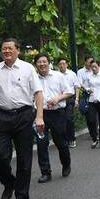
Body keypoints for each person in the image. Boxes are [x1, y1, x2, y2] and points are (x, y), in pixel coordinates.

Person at [0, 37, 45, 199]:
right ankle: (9, 183)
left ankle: (21, 195)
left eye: (10, 48)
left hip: (24, 115)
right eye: (4, 49)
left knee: (24, 159)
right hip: (0, 116)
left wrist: (39, 117)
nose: (7, 51)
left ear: (18, 50)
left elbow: (38, 94)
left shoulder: (28, 69)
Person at [34, 53, 73, 182]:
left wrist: (58, 98)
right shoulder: (33, 79)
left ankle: (66, 163)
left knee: (60, 142)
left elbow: (69, 91)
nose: (42, 64)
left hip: (57, 114)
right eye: (39, 62)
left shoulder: (59, 76)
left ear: (49, 63)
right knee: (41, 144)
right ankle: (46, 172)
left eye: (44, 61)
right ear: (36, 65)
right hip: (41, 114)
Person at [57, 57, 80, 148]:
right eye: (60, 64)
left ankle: (72, 139)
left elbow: (77, 87)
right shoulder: (56, 75)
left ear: (67, 64)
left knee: (69, 119)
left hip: (70, 98)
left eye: (64, 63)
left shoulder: (72, 74)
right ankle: (64, 139)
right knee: (61, 120)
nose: (62, 65)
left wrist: (77, 99)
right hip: (60, 99)